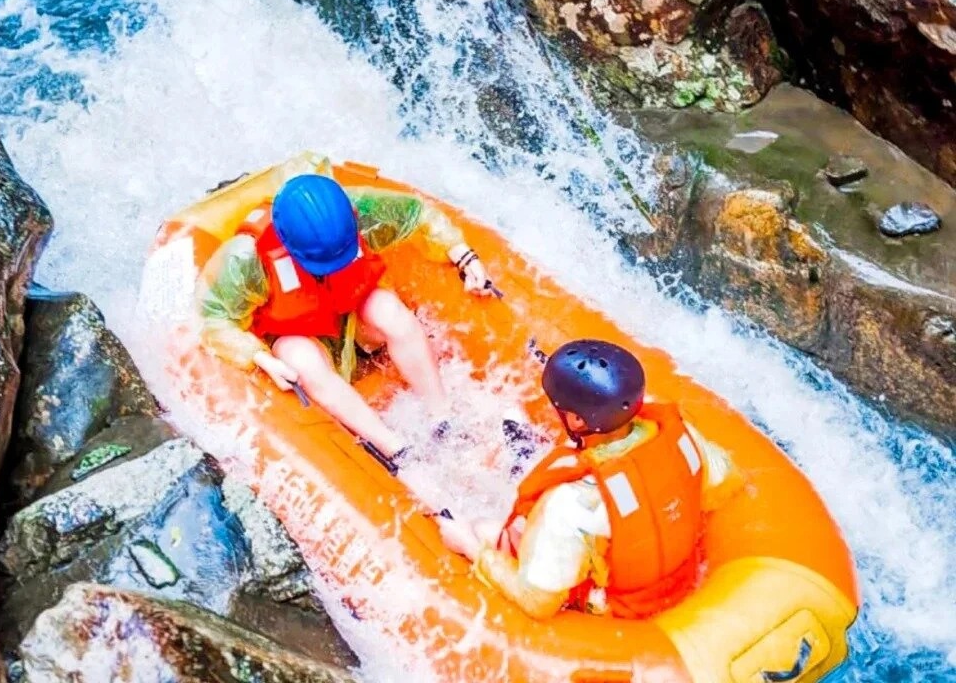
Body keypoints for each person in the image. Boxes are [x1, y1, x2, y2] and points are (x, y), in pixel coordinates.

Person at [196, 172, 493, 465]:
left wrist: (462, 253)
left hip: (353, 320)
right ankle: (397, 450)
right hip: (299, 337)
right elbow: (215, 319)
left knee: (386, 308)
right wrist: (259, 358)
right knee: (298, 356)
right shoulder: (246, 258)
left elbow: (419, 215)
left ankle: (443, 419)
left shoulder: (359, 210)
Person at [437, 340, 740, 620]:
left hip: (617, 605)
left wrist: (470, 547)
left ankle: (473, 534)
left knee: (484, 530)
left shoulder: (571, 503)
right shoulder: (683, 436)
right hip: (680, 572)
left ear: (577, 420)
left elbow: (537, 602)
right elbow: (723, 486)